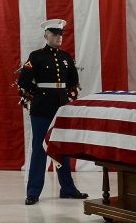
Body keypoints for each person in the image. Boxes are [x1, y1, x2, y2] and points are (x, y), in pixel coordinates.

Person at [17, 19, 88, 205]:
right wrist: (38, 96)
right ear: (46, 35)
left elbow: (73, 82)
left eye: (60, 34)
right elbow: (24, 82)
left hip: (62, 109)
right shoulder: (36, 56)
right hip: (41, 109)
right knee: (40, 149)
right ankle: (33, 192)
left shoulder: (66, 57)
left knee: (62, 148)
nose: (58, 37)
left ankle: (68, 188)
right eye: (55, 34)